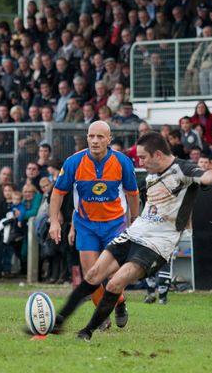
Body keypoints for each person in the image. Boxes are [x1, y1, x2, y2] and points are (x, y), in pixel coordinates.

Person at [49, 132, 212, 341]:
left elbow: (202, 176)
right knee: (92, 275)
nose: (140, 162)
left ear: (158, 154)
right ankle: (59, 322)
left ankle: (87, 331)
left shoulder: (183, 168)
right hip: (134, 233)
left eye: (143, 157)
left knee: (114, 284)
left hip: (156, 244)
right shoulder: (153, 173)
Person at [49, 121, 140, 331]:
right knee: (91, 275)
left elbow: (133, 194)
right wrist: (54, 221)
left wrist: (134, 220)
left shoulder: (122, 162)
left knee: (111, 275)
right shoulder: (74, 162)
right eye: (91, 136)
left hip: (115, 224)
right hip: (86, 224)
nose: (95, 141)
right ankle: (102, 315)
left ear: (109, 139)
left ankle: (119, 303)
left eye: (100, 137)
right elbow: (57, 193)